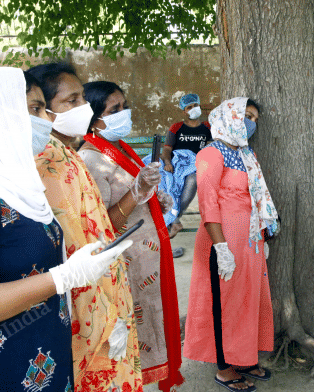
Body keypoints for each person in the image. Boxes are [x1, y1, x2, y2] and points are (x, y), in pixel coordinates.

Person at [0, 67, 131, 391]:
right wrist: (62, 278)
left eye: (45, 108)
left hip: (44, 361)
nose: (46, 119)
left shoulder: (17, 185)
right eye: (34, 109)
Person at [28, 63, 144, 391]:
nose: (85, 108)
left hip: (103, 298)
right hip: (92, 310)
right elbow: (72, 248)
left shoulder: (66, 153)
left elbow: (93, 227)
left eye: (83, 98)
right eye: (73, 100)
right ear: (45, 110)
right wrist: (107, 320)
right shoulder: (48, 161)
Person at [79, 80, 184, 391]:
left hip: (147, 260)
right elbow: (103, 227)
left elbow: (138, 193)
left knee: (154, 324)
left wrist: (153, 197)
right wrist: (137, 193)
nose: (123, 114)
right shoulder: (91, 159)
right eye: (115, 110)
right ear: (95, 118)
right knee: (132, 338)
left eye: (124, 106)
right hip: (127, 266)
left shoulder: (118, 148)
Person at [183, 97, 279, 392]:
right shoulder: (211, 153)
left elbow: (256, 196)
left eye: (255, 119)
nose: (251, 122)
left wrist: (263, 233)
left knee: (247, 300)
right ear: (231, 116)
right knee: (223, 303)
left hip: (249, 240)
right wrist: (221, 249)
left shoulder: (248, 154)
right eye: (247, 115)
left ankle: (244, 356)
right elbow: (207, 203)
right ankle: (224, 368)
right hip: (221, 240)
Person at [162, 93, 213, 242]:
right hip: (177, 164)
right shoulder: (176, 127)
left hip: (196, 165)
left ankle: (174, 218)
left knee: (192, 179)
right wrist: (167, 163)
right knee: (164, 182)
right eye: (189, 107)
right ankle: (170, 220)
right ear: (184, 111)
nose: (193, 109)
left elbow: (211, 148)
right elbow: (167, 150)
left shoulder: (207, 127)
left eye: (195, 105)